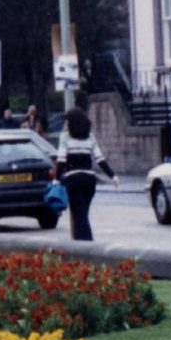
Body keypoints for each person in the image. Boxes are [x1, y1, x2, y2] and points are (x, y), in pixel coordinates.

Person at [54, 103, 116, 242]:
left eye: (67, 121)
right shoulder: (90, 137)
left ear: (72, 123)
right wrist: (113, 176)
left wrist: (56, 180)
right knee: (82, 214)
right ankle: (79, 243)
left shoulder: (65, 137)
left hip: (73, 180)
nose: (65, 124)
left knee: (79, 216)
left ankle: (87, 246)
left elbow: (61, 161)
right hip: (89, 181)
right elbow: (100, 159)